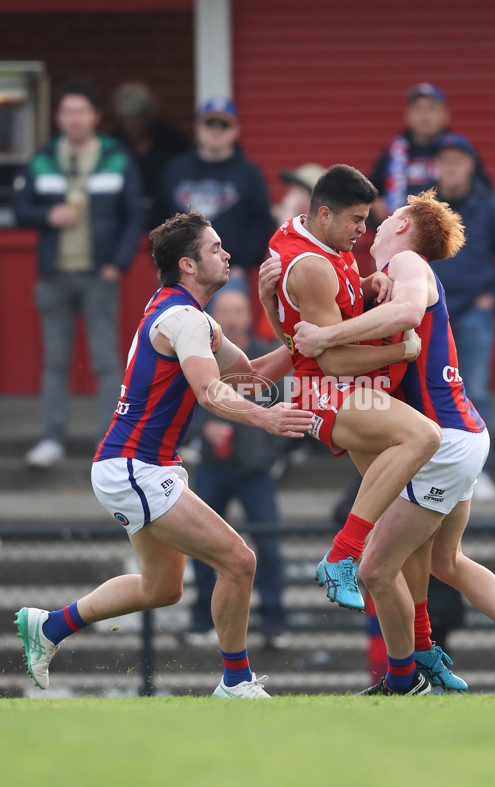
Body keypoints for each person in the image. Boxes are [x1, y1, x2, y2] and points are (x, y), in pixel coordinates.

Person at [14, 211, 315, 699]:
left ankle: (49, 626)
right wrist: (268, 418)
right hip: (136, 466)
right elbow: (211, 393)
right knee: (239, 561)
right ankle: (235, 682)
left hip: (136, 467)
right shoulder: (183, 319)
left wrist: (301, 333)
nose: (227, 254)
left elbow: (254, 375)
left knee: (162, 589)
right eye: (215, 248)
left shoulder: (190, 317)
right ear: (188, 265)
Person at [293, 190, 495, 696]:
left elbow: (403, 314)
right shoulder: (388, 274)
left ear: (403, 225)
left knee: (376, 567)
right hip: (458, 436)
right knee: (445, 562)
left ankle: (405, 679)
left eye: (385, 216)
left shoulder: (407, 261)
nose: (374, 224)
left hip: (441, 442)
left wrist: (326, 339)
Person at [260, 164, 442, 613]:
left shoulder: (309, 235)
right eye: (356, 220)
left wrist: (364, 284)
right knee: (424, 436)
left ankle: (417, 655)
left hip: (337, 385)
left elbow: (311, 319)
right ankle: (341, 555)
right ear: (325, 214)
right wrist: (403, 352)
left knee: (402, 521)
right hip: (324, 390)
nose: (363, 231)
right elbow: (332, 358)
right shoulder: (313, 266)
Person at [13, 79, 145, 468]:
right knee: (56, 360)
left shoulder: (116, 156)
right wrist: (45, 215)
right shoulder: (42, 157)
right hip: (53, 274)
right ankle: (52, 439)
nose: (74, 119)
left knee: (106, 361)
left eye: (81, 111)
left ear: (95, 116)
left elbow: (134, 214)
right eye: (67, 112)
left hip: (98, 275)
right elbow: (21, 209)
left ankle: (108, 444)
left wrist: (117, 265)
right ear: (58, 117)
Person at [185, 288, 289, 649]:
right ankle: (201, 619)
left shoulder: (264, 354)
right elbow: (186, 402)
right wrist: (203, 429)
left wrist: (271, 452)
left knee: (269, 546)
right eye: (223, 312)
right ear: (214, 317)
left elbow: (287, 403)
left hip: (256, 469)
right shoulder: (200, 356)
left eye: (237, 312)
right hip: (214, 465)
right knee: (200, 545)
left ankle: (274, 622)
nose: (230, 319)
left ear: (248, 316)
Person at [429, 131, 495, 500]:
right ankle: (436, 472)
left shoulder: (491, 205)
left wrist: (494, 296)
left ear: (471, 165)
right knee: (429, 389)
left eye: (458, 160)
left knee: (475, 391)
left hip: (473, 315)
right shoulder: (425, 206)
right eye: (445, 160)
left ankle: (477, 474)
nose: (451, 167)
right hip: (429, 316)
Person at [152, 96, 273, 289]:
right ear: (197, 126)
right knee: (177, 320)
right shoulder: (175, 169)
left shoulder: (249, 174)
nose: (216, 130)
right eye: (210, 123)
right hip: (180, 275)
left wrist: (242, 265)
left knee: (229, 321)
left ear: (235, 130)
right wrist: (165, 261)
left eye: (224, 124)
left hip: (230, 276)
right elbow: (156, 218)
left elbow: (261, 222)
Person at [368, 82, 489, 226]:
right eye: (418, 109)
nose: (424, 116)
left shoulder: (458, 149)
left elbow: (484, 191)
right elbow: (370, 188)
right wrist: (375, 201)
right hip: (401, 230)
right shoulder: (394, 150)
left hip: (449, 228)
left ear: (445, 115)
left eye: (431, 109)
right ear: (407, 115)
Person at [112, 81, 188, 224]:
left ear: (148, 115)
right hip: (125, 217)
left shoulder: (170, 140)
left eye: (138, 117)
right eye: (127, 118)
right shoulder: (116, 144)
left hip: (166, 216)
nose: (133, 124)